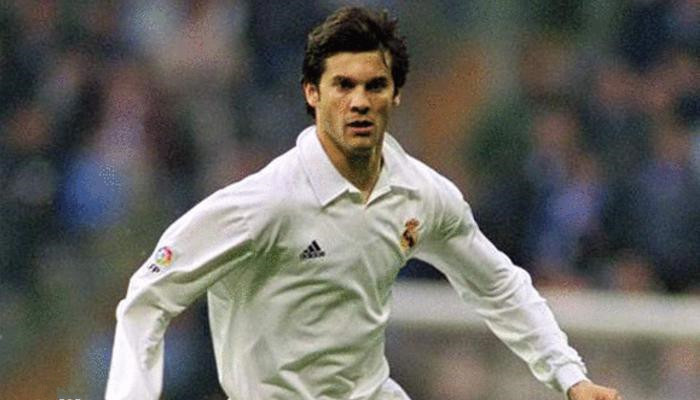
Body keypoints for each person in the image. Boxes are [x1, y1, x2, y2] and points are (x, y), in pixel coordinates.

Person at [105, 7, 622, 400]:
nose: (359, 102)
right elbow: (147, 300)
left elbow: (498, 284)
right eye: (343, 85)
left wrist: (569, 375)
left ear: (395, 95)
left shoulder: (421, 193)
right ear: (312, 93)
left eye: (375, 86)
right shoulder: (263, 203)